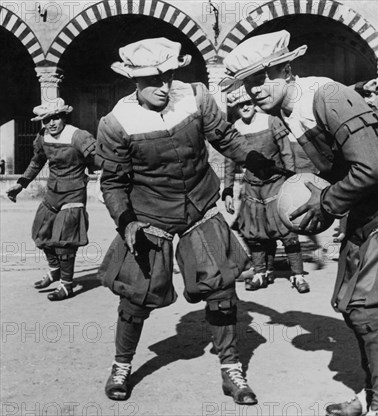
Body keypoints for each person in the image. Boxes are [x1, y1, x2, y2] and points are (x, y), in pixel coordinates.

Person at [222, 30, 378, 416]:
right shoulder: (284, 112)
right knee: (351, 307)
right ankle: (372, 394)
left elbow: (371, 168)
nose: (256, 89)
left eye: (265, 77)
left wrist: (326, 203)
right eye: (249, 82)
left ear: (288, 70)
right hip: (363, 203)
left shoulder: (327, 97)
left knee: (370, 310)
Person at [95, 38, 279, 404]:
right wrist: (127, 222)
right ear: (135, 80)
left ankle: (231, 370)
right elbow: (113, 182)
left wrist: (254, 159)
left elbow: (225, 137)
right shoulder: (115, 123)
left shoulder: (195, 96)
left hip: (200, 204)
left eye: (168, 76)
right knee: (137, 295)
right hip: (150, 213)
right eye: (153, 80)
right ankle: (121, 365)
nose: (163, 87)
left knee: (222, 289)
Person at [6, 99, 96, 301]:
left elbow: (98, 158)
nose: (51, 123)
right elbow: (37, 161)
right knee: (41, 232)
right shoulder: (42, 136)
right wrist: (21, 184)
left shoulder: (78, 136)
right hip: (53, 192)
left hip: (74, 192)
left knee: (64, 240)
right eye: (46, 120)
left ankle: (66, 284)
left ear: (63, 116)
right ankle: (55, 270)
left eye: (55, 117)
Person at [222, 86, 308, 293]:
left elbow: (286, 153)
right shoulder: (234, 129)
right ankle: (261, 273)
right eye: (240, 105)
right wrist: (227, 190)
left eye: (248, 103)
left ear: (254, 103)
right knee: (255, 232)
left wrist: (291, 180)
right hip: (252, 188)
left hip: (276, 184)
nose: (245, 107)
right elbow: (229, 163)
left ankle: (297, 275)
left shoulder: (271, 121)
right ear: (235, 108)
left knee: (287, 231)